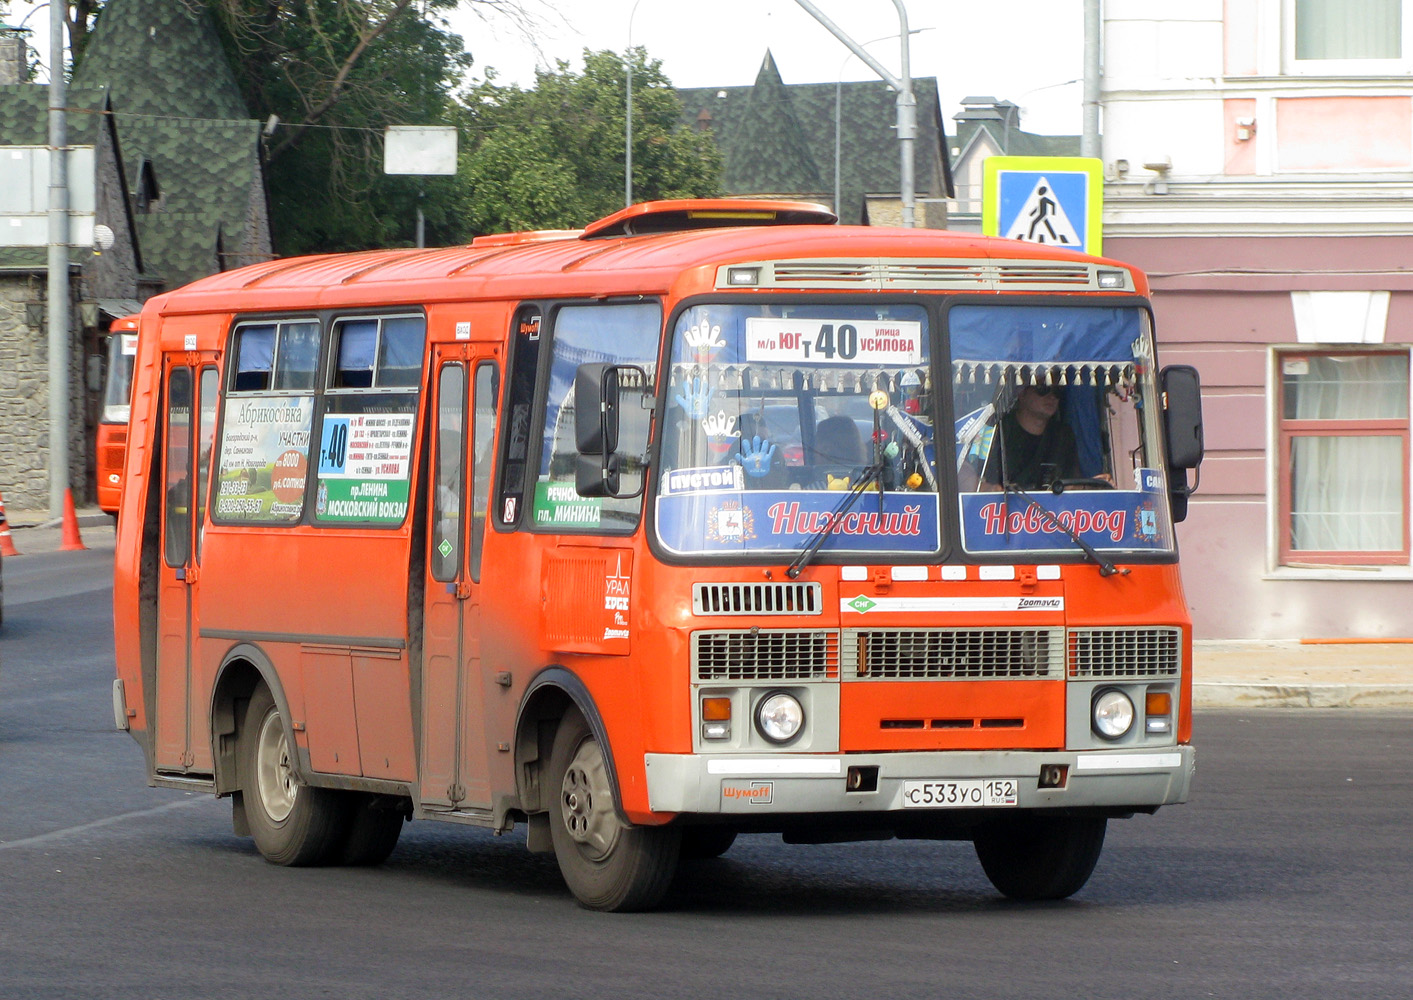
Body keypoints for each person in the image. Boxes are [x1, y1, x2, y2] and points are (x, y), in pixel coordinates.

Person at [981, 384, 1081, 490]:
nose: (1052, 397)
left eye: (1057, 392)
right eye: (1043, 389)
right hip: (1003, 504)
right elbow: (971, 472)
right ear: (1021, 392)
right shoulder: (993, 429)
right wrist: (989, 489)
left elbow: (1073, 483)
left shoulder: (1063, 435)